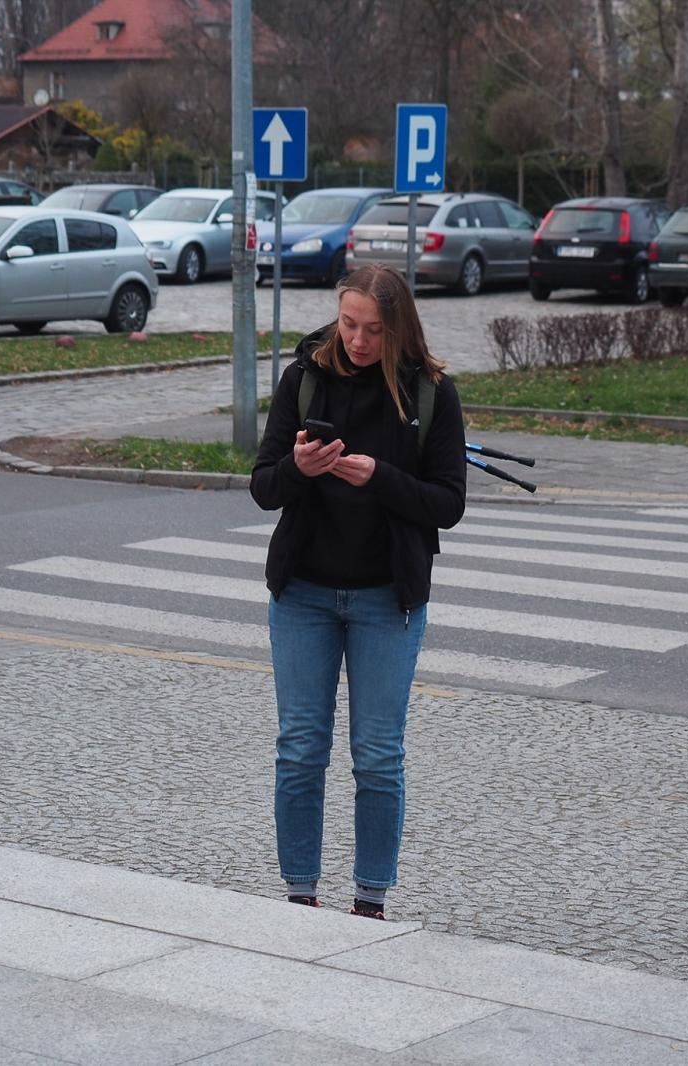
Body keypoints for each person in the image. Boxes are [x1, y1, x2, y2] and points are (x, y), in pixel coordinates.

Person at [249, 263, 467, 920]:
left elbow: (448, 503)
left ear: (398, 330)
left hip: (385, 599)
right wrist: (300, 468)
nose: (359, 341)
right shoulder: (304, 380)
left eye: (374, 330)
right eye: (349, 324)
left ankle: (370, 898)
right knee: (300, 749)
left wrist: (379, 477)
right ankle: (299, 895)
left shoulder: (431, 393)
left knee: (376, 755)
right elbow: (264, 486)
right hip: (304, 595)